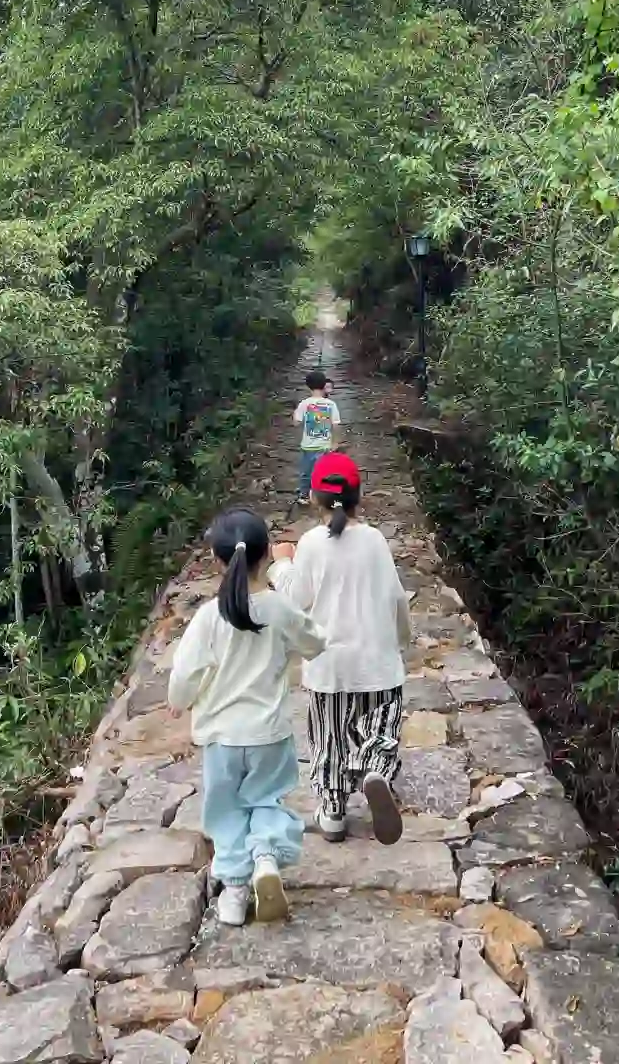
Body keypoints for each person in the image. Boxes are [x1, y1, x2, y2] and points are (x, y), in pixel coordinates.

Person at [166, 508, 325, 927]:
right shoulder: (279, 609)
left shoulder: (208, 617)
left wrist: (179, 700)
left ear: (219, 561)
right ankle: (267, 857)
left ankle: (235, 891)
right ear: (268, 554)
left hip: (222, 738)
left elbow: (185, 673)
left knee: (227, 811)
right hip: (269, 734)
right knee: (265, 800)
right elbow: (315, 643)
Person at [275, 453, 411, 846]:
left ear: (313, 498)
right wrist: (399, 641)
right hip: (377, 661)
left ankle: (332, 812)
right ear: (359, 497)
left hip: (328, 667)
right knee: (380, 729)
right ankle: (376, 771)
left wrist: (280, 566)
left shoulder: (311, 544)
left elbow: (294, 599)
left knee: (330, 740)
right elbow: (396, 599)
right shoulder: (375, 541)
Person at [293, 369, 340, 505]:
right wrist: (335, 442)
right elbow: (336, 425)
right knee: (326, 472)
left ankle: (304, 495)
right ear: (324, 385)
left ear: (308, 386)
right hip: (325, 445)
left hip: (308, 446)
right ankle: (327, 497)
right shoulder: (331, 404)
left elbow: (296, 423)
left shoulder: (304, 403)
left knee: (306, 473)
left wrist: (295, 411)